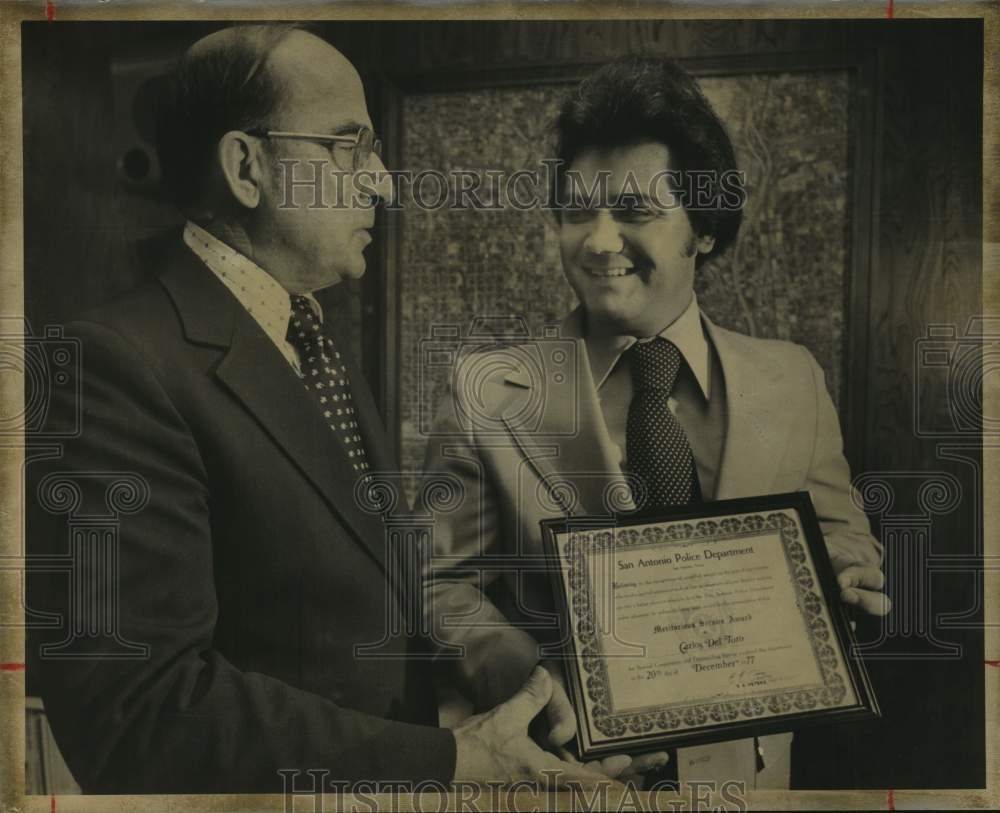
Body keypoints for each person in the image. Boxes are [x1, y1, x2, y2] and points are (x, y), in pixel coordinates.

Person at [27, 24, 607, 794]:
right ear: (246, 167)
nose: (383, 182)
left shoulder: (307, 332)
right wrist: (455, 759)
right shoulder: (111, 365)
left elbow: (368, 588)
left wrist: (515, 677)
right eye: (350, 146)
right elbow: (142, 710)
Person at [420, 56, 890, 790]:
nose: (600, 241)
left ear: (702, 228)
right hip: (563, 779)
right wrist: (536, 683)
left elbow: (839, 533)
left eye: (636, 211)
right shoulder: (486, 391)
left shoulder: (792, 379)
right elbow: (442, 588)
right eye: (578, 211)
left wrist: (848, 577)